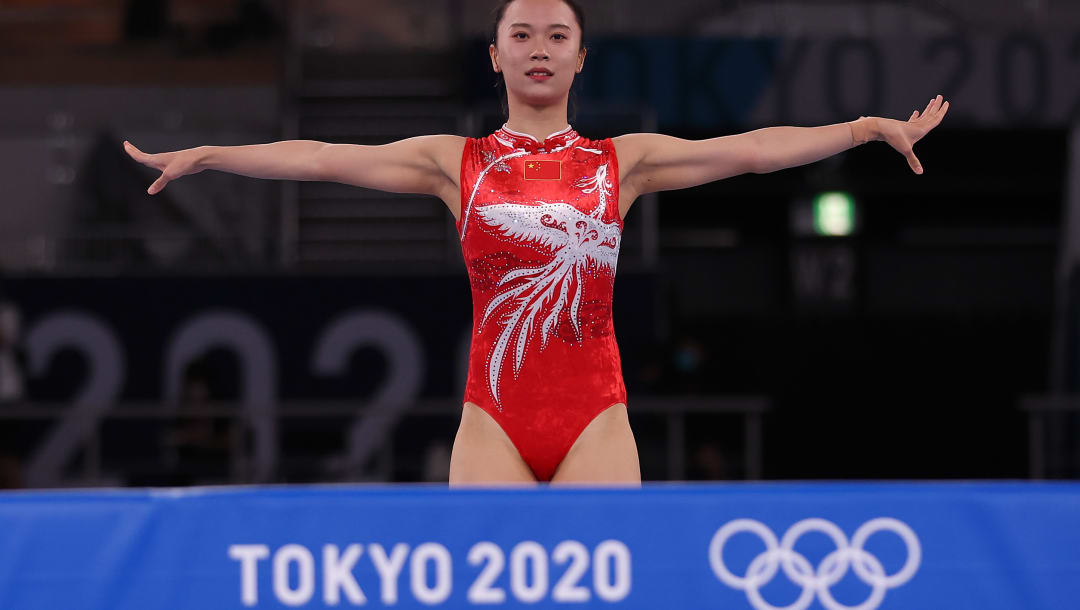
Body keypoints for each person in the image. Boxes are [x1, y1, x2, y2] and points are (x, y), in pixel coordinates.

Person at [122, 0, 949, 486]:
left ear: (581, 57)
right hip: (492, 419)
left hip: (595, 416)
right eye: (522, 34)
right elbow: (328, 159)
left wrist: (864, 128)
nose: (539, 48)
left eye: (556, 35)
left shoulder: (621, 162)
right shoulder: (458, 163)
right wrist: (213, 155)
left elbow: (751, 148)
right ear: (495, 56)